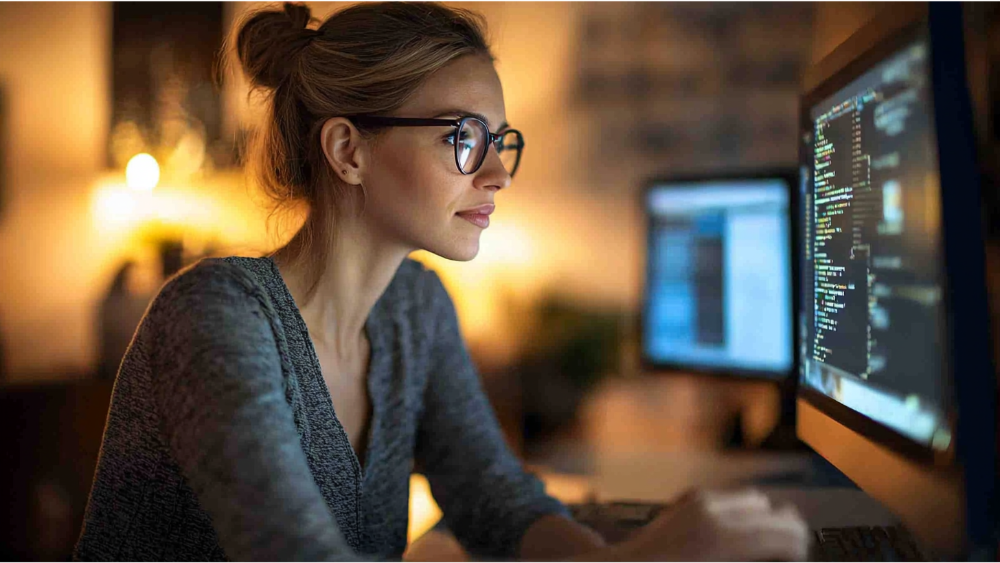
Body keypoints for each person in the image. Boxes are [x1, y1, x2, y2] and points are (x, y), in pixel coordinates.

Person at [73, 2, 811, 562]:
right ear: (347, 150)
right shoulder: (213, 317)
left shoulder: (416, 306)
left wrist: (617, 555)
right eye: (463, 139)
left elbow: (494, 496)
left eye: (501, 142)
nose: (497, 173)